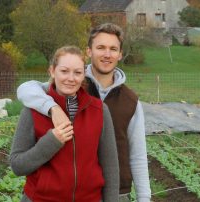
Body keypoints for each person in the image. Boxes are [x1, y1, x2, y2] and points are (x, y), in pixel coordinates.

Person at [17, 23, 151, 202]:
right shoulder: (64, 87)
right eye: (100, 47)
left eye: (113, 49)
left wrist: (144, 198)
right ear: (89, 51)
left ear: (120, 54)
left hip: (114, 192)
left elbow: (138, 155)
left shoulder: (129, 101)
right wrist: (53, 109)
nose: (107, 54)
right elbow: (26, 89)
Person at [10, 45, 119, 202]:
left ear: (83, 75)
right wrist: (51, 142)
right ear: (52, 71)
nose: (71, 78)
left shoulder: (99, 110)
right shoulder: (32, 111)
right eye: (64, 71)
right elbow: (17, 165)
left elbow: (110, 167)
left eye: (77, 72)